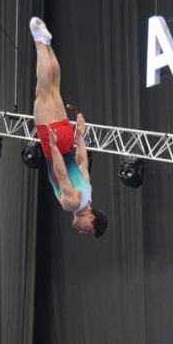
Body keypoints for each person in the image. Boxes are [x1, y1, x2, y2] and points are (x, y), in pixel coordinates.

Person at [30, 16, 107, 238]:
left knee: (53, 89)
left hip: (67, 138)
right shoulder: (72, 204)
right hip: (54, 145)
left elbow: (82, 162)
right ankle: (38, 40)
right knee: (43, 93)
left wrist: (80, 135)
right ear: (91, 219)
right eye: (88, 231)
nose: (83, 232)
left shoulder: (88, 192)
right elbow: (61, 174)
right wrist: (52, 148)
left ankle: (46, 43)